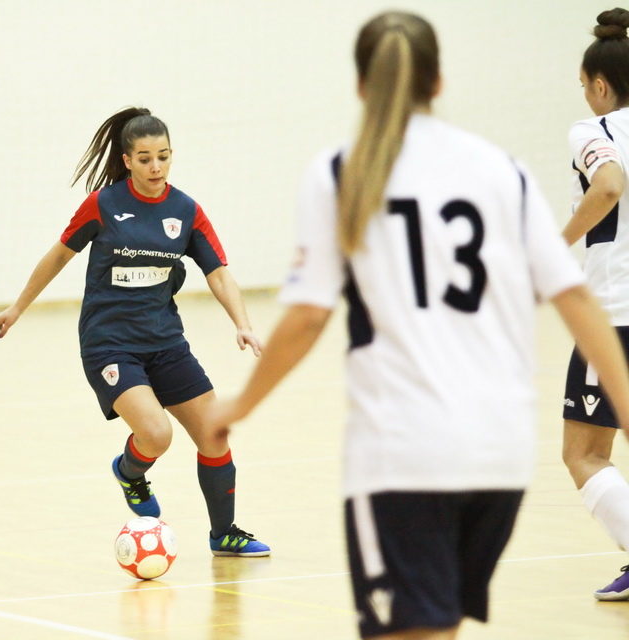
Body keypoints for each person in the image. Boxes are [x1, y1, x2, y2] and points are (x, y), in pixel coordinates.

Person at [205, 11, 629, 640]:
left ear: (358, 87)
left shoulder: (340, 172)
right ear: (439, 82)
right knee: (435, 626)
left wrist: (238, 404)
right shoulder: (497, 168)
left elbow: (306, 318)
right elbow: (576, 303)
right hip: (498, 455)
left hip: (403, 451)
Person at [0, 107, 270, 557]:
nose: (156, 167)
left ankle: (224, 533)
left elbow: (218, 272)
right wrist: (17, 307)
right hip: (109, 343)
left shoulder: (186, 210)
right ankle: (130, 471)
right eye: (144, 158)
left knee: (215, 433)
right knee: (156, 435)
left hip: (165, 342)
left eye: (163, 156)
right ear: (127, 160)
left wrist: (244, 324)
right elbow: (59, 255)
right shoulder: (103, 205)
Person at [561, 7, 629, 603]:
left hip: (615, 314)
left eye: (584, 86)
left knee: (583, 451)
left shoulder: (594, 131)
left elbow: (608, 185)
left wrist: (556, 245)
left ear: (601, 86)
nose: (584, 96)